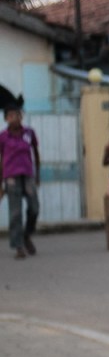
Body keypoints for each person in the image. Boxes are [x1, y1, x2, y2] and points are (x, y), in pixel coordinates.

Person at [1, 96, 40, 260]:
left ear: (21, 116)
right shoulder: (3, 137)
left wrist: (37, 174)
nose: (14, 118)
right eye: (10, 116)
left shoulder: (29, 133)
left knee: (34, 208)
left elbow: (36, 154)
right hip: (10, 177)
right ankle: (18, 246)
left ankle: (27, 234)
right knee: (15, 213)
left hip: (28, 175)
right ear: (6, 119)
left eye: (16, 115)